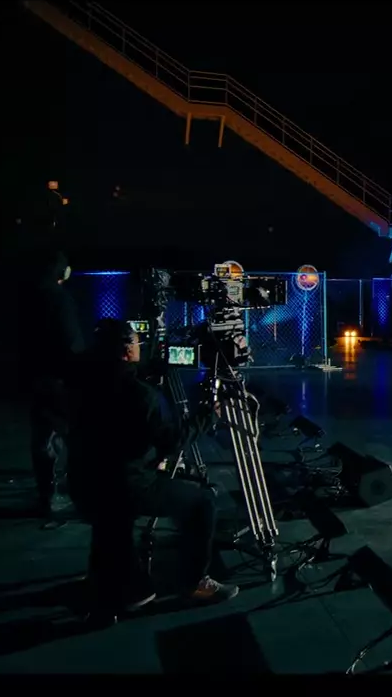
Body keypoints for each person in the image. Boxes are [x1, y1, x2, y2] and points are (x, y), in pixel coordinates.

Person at [67, 319, 239, 622]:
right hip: (125, 486)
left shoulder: (80, 380)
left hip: (84, 484)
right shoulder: (139, 394)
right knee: (202, 502)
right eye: (136, 343)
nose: (140, 346)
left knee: (110, 519)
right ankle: (194, 583)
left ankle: (112, 582)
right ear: (125, 351)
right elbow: (171, 440)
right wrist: (206, 418)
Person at [18, 249, 85, 521]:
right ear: (63, 272)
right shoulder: (60, 299)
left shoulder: (29, 297)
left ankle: (47, 494)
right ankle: (76, 492)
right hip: (60, 379)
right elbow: (71, 341)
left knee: (42, 438)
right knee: (74, 436)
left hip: (36, 377)